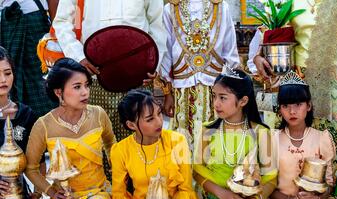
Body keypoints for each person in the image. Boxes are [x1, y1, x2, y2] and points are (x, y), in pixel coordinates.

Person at [25, 58, 121, 199]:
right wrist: (50, 192)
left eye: (86, 85)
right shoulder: (44, 125)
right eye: (77, 87)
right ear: (59, 92)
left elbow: (111, 145)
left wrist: (119, 178)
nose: (85, 92)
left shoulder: (98, 115)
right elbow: (31, 168)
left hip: (98, 193)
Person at [249, 0, 337, 145]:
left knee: (331, 139)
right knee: (293, 139)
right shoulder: (288, 2)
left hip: (333, 81)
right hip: (297, 81)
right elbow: (271, 34)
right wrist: (258, 56)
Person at [193, 67, 278, 199]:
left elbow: (271, 179)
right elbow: (197, 170)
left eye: (223, 97)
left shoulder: (261, 132)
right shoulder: (208, 130)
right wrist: (222, 194)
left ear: (243, 101)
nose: (216, 103)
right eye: (214, 96)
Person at [52, 0, 167, 143]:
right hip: (96, 77)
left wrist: (153, 64)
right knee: (101, 142)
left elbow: (158, 24)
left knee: (142, 140)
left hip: (139, 78)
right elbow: (62, 21)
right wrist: (79, 57)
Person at [267, 71, 335, 199]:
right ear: (280, 110)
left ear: (309, 106)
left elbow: (330, 183)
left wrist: (315, 198)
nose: (292, 111)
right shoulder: (272, 139)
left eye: (298, 104)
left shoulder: (322, 138)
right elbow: (267, 185)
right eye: (286, 106)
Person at [159, 0, 240, 149]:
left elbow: (230, 51)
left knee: (214, 143)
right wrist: (167, 93)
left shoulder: (222, 7)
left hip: (216, 89)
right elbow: (166, 52)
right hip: (182, 91)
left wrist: (231, 91)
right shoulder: (170, 9)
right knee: (183, 144)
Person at [0, 46, 55, 199]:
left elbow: (38, 161)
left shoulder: (25, 115)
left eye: (7, 72)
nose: (3, 79)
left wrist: (38, 192)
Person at [0, 0, 57, 117]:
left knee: (42, 87)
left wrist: (56, 32)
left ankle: (47, 130)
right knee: (8, 84)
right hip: (5, 23)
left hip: (33, 22)